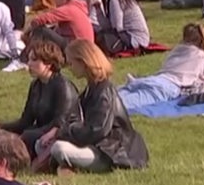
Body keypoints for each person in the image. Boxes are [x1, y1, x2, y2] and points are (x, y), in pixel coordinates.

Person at [35, 40, 149, 174]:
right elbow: (72, 120)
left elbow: (97, 131)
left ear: (84, 62)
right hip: (94, 146)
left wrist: (62, 133)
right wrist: (58, 132)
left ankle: (68, 166)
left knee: (59, 148)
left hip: (111, 153)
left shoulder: (104, 91)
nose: (70, 68)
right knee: (41, 144)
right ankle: (69, 167)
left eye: (72, 63)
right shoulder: (90, 90)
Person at [0, 39, 79, 160]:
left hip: (62, 133)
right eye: (29, 59)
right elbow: (25, 121)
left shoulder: (62, 86)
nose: (29, 64)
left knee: (27, 136)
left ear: (49, 64)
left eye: (34, 60)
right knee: (1, 136)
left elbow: (60, 122)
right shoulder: (36, 85)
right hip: (41, 130)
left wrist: (27, 135)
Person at [118, 22, 204, 112]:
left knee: (117, 94)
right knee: (123, 104)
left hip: (155, 78)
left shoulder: (178, 49)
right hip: (169, 86)